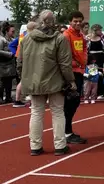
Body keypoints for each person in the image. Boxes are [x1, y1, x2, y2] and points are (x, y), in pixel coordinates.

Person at [20, 10, 76, 156]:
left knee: (36, 112)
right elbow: (65, 64)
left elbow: (20, 62)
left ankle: (35, 146)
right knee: (57, 112)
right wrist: (70, 80)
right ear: (54, 21)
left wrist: (24, 77)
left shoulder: (27, 39)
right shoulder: (59, 38)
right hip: (54, 81)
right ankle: (59, 145)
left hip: (33, 81)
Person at [63, 11, 88, 144]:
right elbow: (65, 55)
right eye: (75, 21)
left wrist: (82, 61)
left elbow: (84, 50)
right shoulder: (67, 35)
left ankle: (67, 131)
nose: (78, 23)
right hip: (70, 72)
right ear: (70, 22)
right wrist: (76, 63)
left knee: (75, 102)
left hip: (79, 71)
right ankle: (66, 132)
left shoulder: (81, 36)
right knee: (70, 103)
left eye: (80, 21)